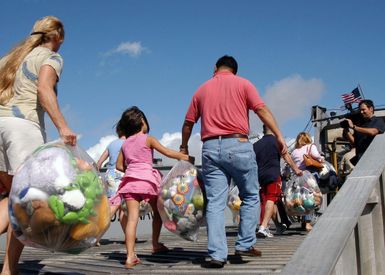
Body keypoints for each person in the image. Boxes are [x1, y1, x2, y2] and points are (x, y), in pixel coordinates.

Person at [180, 55, 287, 268]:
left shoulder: (201, 89)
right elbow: (262, 110)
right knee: (250, 195)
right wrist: (279, 136)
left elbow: (188, 123)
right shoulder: (244, 84)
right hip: (238, 144)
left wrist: (183, 146)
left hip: (210, 147)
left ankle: (218, 255)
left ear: (215, 68)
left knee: (216, 203)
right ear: (234, 70)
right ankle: (245, 244)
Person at [0, 16, 77, 274]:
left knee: (12, 200)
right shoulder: (50, 56)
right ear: (57, 37)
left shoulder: (8, 59)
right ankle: (9, 270)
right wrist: (63, 127)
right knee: (25, 205)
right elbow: (44, 89)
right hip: (22, 129)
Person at [109, 106, 190, 269]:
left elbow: (118, 165)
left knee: (132, 219)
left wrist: (133, 170)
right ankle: (155, 244)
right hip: (148, 182)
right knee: (158, 213)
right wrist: (182, 156)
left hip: (130, 182)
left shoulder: (125, 144)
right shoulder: (148, 138)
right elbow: (167, 152)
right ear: (141, 122)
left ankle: (130, 256)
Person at [254, 125, 302, 238]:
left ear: (263, 130)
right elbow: (286, 156)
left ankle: (278, 226)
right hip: (273, 175)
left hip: (260, 176)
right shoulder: (277, 141)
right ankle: (263, 227)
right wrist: (296, 169)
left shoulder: (256, 145)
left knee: (269, 201)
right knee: (271, 199)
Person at [96, 123, 127, 242]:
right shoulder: (127, 144)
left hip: (109, 175)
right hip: (120, 175)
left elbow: (99, 163)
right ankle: (95, 236)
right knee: (114, 207)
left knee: (123, 208)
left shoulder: (111, 144)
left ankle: (129, 236)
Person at [290, 132, 324, 232]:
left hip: (298, 177)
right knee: (311, 199)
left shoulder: (294, 151)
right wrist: (321, 158)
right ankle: (308, 223)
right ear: (308, 139)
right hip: (310, 176)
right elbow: (316, 155)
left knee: (302, 198)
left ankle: (304, 221)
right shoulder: (310, 146)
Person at [342, 99, 385, 165]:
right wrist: (346, 130)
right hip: (360, 161)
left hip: (374, 160)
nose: (361, 112)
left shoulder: (378, 121)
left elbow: (373, 132)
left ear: (371, 109)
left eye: (363, 109)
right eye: (360, 110)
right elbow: (355, 143)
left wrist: (354, 127)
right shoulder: (360, 126)